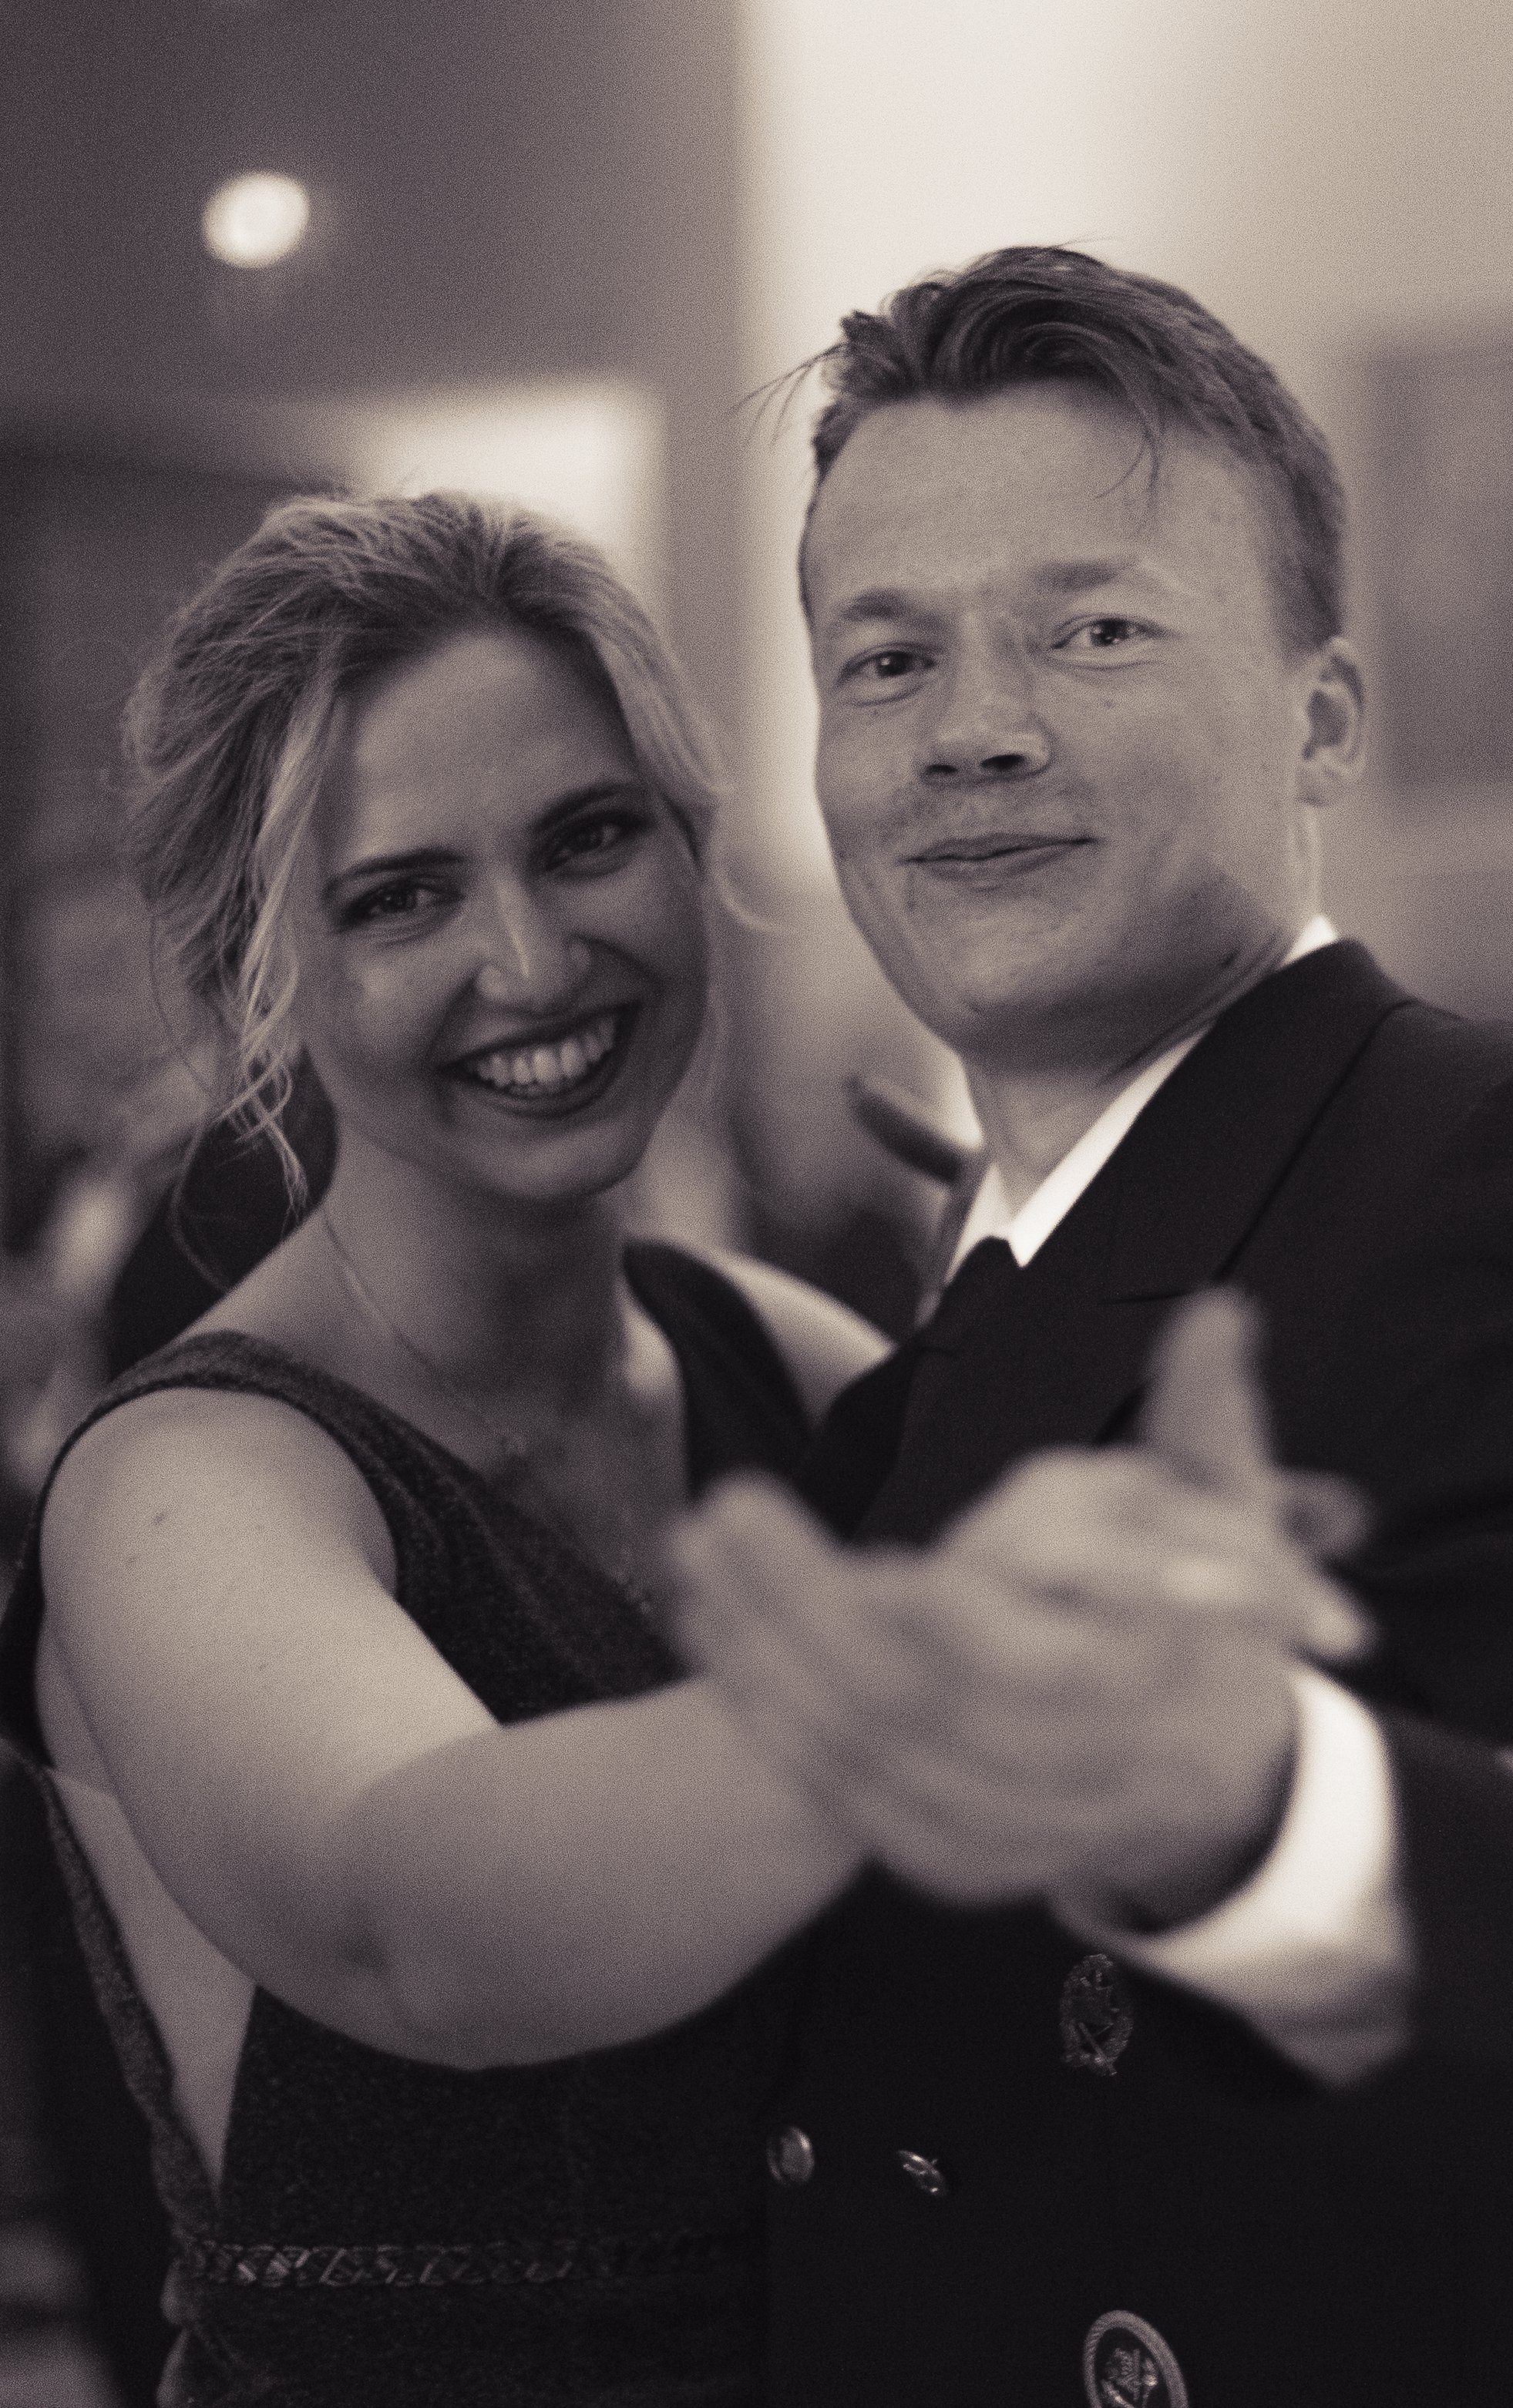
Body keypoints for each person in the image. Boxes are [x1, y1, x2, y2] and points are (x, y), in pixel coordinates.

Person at [668, 247, 1513, 2408]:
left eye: (1093, 627)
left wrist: (1276, 1819)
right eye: (886, 657)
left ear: (1324, 715)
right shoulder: (923, 1367)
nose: (972, 721)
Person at [0, 490, 1313, 2407]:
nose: (533, 964)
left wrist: (1077, 1305)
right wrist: (954, 1638)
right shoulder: (194, 1484)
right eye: (400, 897)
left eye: (588, 839)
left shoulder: (774, 1356)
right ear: (252, 976)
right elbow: (427, 1922)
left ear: (695, 850)